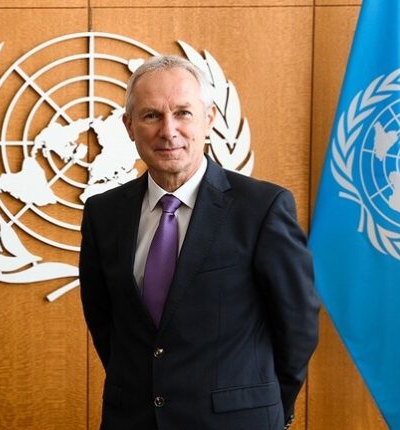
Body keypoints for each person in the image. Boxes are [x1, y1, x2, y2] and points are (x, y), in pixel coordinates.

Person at [79, 55, 320, 429]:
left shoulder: (262, 208)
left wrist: (268, 404)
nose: (168, 131)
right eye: (151, 115)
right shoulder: (103, 213)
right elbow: (105, 323)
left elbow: (297, 326)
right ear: (128, 126)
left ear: (209, 119)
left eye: (183, 113)